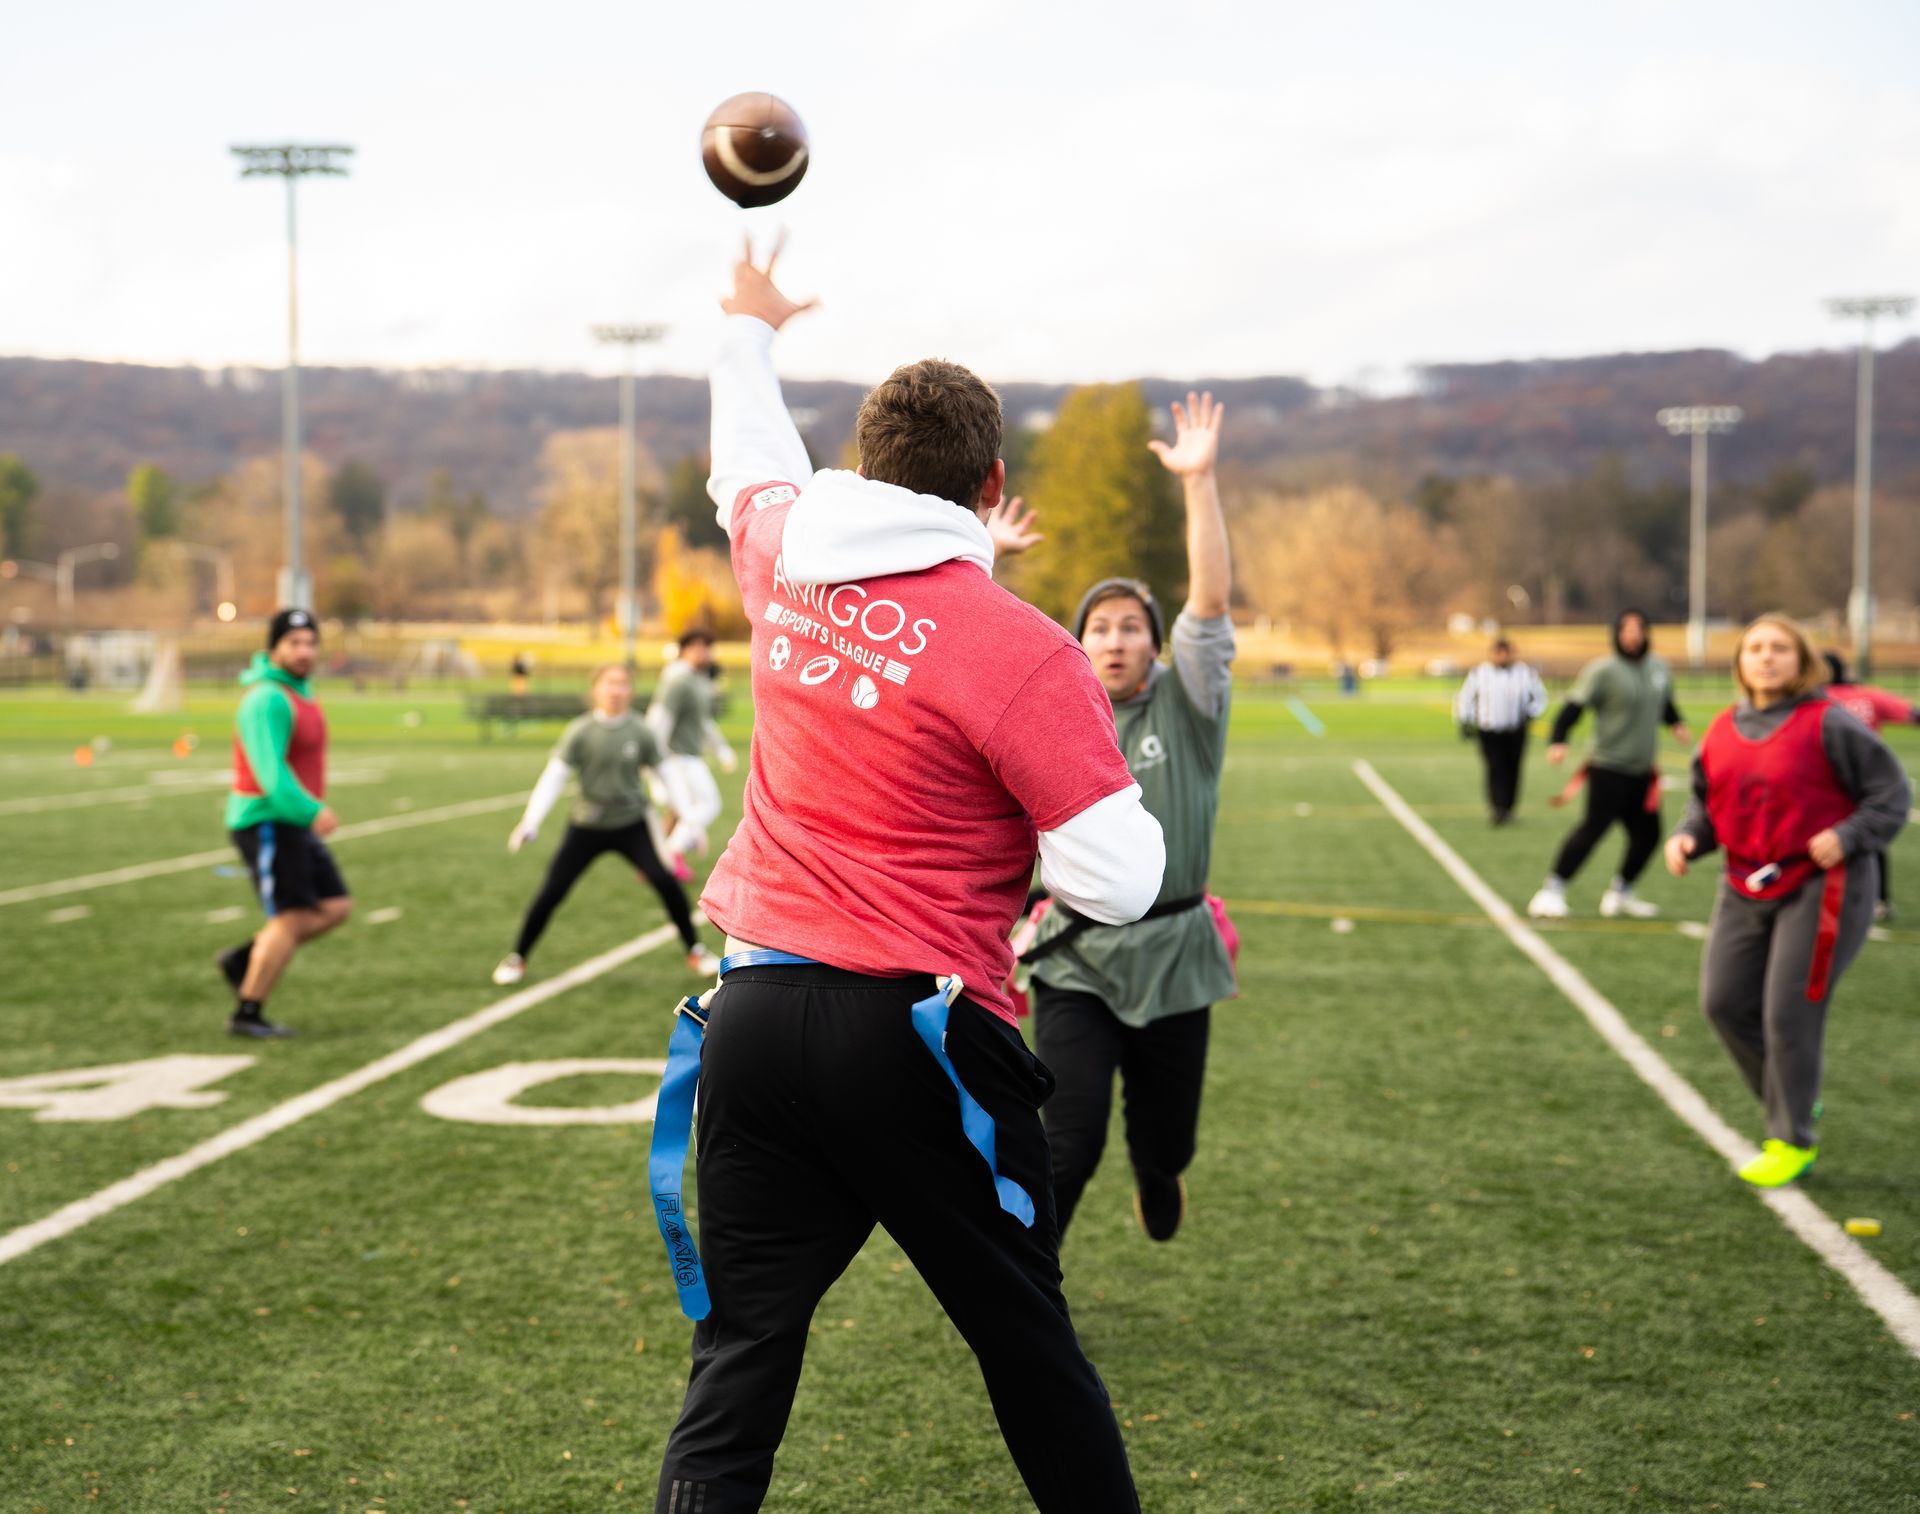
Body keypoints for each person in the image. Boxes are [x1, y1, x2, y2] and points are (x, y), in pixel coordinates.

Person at [651, 240, 1164, 1514]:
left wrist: (745, 328)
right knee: (1027, 1346)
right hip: (921, 1030)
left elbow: (747, 460)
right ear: (992, 487)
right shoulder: (1023, 649)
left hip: (757, 1012)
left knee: (742, 1361)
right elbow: (1119, 874)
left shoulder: (787, 555)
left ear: (870, 461)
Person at [997, 391, 1234, 1247]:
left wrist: (1196, 484)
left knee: (1167, 1139)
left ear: (1154, 644)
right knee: (1067, 1138)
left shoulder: (1192, 706)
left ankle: (1158, 1169)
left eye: (1133, 626)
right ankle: (1030, 1295)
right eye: (1099, 626)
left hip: (1176, 953)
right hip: (1078, 955)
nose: (1115, 639)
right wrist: (980, 557)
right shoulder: (1056, 709)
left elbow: (1208, 604)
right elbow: (973, 649)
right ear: (1081, 641)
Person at [1665, 615, 1909, 1186]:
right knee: (1722, 1003)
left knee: (1788, 1013)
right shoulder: (1723, 727)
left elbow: (1892, 795)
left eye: (1779, 648)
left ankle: (1791, 1137)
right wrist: (1688, 837)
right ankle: (1794, 1099)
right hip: (1743, 884)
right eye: (1755, 648)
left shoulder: (1829, 723)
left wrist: (1846, 837)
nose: (1766, 657)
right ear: (1740, 662)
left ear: (1801, 662)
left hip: (1826, 887)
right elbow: (1705, 801)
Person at [491, 664, 718, 986]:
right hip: (586, 825)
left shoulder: (641, 731)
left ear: (631, 690)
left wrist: (692, 823)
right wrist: (531, 821)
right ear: (595, 689)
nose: (616, 690)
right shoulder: (581, 731)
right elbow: (554, 778)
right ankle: (517, 957)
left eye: (624, 683)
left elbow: (668, 774)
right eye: (610, 683)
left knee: (665, 882)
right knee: (552, 890)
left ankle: (695, 950)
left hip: (632, 823)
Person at [215, 609, 350, 1038]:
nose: (304, 651)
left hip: (293, 822)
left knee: (334, 905)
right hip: (267, 820)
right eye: (294, 643)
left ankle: (247, 958)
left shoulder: (300, 693)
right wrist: (312, 811)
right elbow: (270, 773)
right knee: (291, 916)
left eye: (311, 642)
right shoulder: (267, 698)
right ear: (273, 648)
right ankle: (247, 1012)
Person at [1528, 609, 1691, 919]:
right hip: (1609, 767)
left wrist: (1676, 723)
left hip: (1643, 771)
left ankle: (1621, 893)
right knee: (1593, 829)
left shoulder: (1659, 667)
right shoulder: (1603, 670)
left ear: (1646, 632)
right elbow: (1574, 706)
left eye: (1637, 629)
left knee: (1648, 836)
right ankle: (1550, 891)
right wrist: (1558, 739)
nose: (1632, 635)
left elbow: (1663, 702)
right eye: (1625, 629)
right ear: (1616, 634)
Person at [1821, 651, 1918, 923]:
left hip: (1827, 779)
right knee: (1870, 835)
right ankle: (1880, 900)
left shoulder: (1815, 699)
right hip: (1869, 778)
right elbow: (1913, 714)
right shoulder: (1869, 696)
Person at [645, 630, 737, 872]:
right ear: (684, 651)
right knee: (708, 803)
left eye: (707, 647)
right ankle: (673, 851)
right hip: (677, 757)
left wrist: (723, 751)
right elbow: (659, 720)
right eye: (698, 647)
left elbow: (703, 723)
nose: (705, 652)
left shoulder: (698, 680)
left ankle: (660, 859)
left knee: (681, 810)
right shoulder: (679, 681)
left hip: (689, 756)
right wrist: (654, 762)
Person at [1454, 638, 1549, 824]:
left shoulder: (1525, 673)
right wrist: (1465, 720)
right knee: (1495, 768)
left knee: (1513, 769)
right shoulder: (1480, 673)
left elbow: (1540, 697)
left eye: (1507, 652)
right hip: (1489, 730)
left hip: (1515, 730)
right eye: (1499, 652)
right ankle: (1497, 808)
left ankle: (1509, 807)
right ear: (1493, 654)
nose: (1503, 656)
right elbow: (1466, 698)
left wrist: (1530, 714)